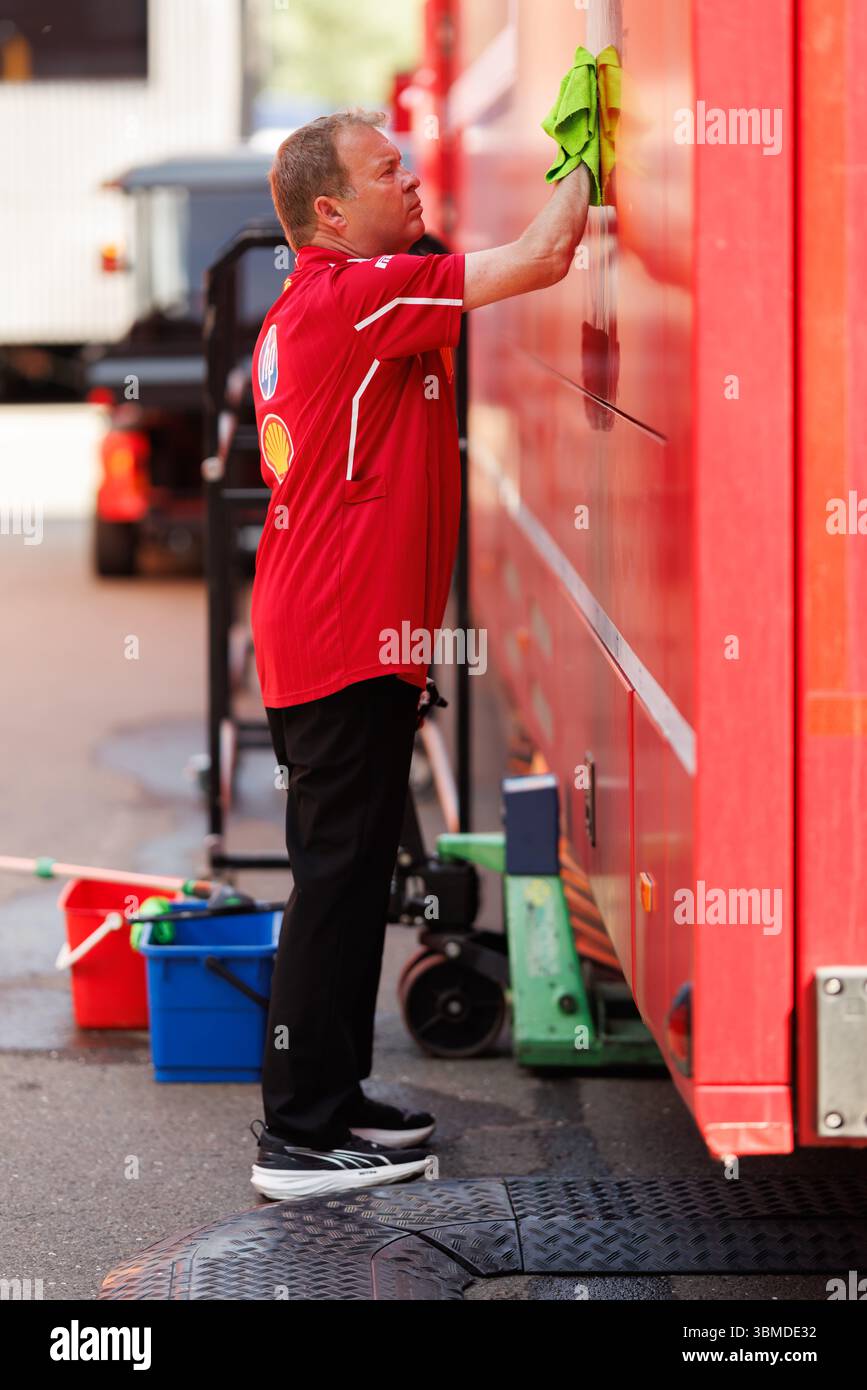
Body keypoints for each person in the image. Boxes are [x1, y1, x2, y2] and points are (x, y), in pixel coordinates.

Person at [248, 107, 590, 1201]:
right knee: (333, 886)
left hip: (350, 634)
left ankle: (337, 1099)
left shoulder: (362, 291)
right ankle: (297, 1136)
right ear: (330, 213)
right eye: (390, 170)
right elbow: (543, 254)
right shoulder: (354, 298)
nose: (414, 179)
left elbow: (453, 266)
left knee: (350, 884)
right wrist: (592, 139)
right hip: (340, 636)